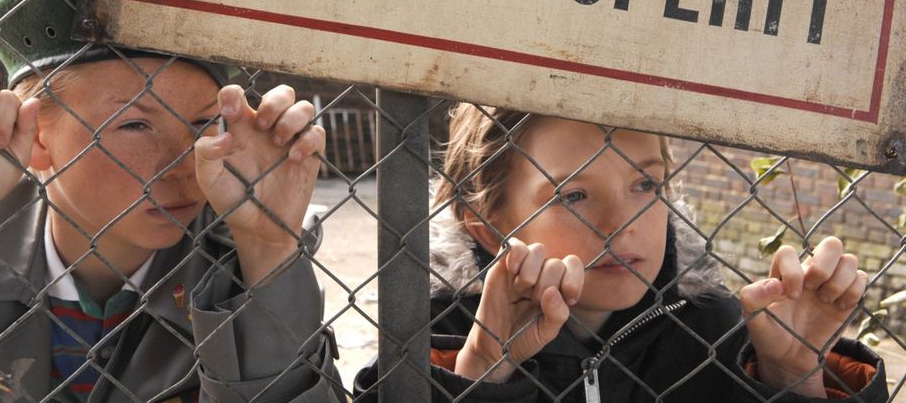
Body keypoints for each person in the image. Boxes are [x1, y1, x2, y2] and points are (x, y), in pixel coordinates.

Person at [0, 0, 343, 401]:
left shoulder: (240, 256)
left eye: (202, 124)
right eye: (134, 125)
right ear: (37, 137)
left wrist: (269, 251)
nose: (184, 164)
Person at [357, 105, 888, 401]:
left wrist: (794, 376)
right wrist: (481, 370)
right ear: (490, 228)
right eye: (573, 195)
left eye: (645, 186)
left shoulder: (720, 335)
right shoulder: (428, 340)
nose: (622, 224)